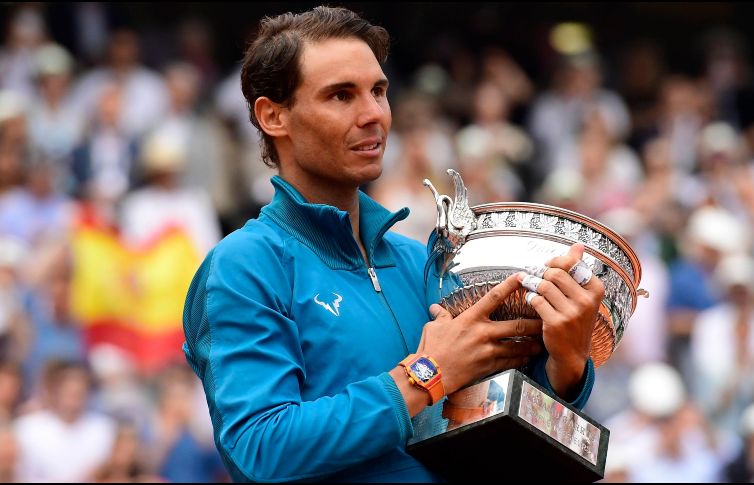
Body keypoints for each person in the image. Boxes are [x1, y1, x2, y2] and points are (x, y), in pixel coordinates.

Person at [182, 6, 603, 482]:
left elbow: (489, 425)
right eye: (341, 95)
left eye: (378, 91)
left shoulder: (420, 261)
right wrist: (425, 374)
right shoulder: (243, 266)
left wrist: (566, 364)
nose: (373, 115)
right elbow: (260, 449)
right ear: (273, 115)